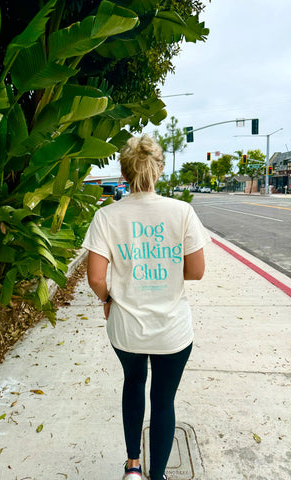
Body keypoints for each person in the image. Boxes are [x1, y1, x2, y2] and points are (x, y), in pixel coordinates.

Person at [82, 134, 210, 480]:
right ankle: (158, 476)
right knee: (164, 400)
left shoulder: (107, 217)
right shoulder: (181, 212)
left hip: (126, 329)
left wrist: (109, 298)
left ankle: (133, 466)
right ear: (159, 170)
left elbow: (95, 278)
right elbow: (196, 271)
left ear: (124, 172)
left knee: (133, 382)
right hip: (173, 332)